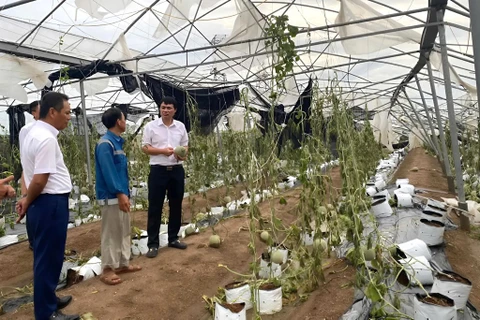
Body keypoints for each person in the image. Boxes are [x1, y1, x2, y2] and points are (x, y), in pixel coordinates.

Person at [16, 92, 80, 320]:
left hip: (42, 203)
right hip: (49, 203)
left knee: (47, 256)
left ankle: (50, 300)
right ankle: (46, 313)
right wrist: (28, 199)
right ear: (52, 112)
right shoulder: (46, 139)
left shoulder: (30, 132)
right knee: (48, 258)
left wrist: (26, 200)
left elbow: (30, 174)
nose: (69, 117)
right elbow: (40, 180)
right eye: (67, 112)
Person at [95, 107, 141, 285]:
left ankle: (122, 263)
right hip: (112, 196)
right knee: (111, 233)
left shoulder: (116, 142)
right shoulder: (106, 144)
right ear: (118, 122)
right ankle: (107, 269)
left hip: (121, 194)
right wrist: (120, 193)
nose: (125, 122)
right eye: (124, 119)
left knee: (123, 230)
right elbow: (109, 172)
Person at [142, 96, 189, 258]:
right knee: (155, 206)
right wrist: (163, 151)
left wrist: (181, 156)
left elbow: (185, 147)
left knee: (176, 205)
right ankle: (153, 244)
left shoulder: (180, 127)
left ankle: (173, 238)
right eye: (163, 107)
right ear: (160, 109)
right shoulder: (151, 127)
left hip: (176, 170)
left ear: (175, 110)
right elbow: (146, 148)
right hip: (158, 171)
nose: (166, 110)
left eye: (169, 108)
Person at [18, 100, 41, 249]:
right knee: (32, 205)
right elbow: (24, 157)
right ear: (33, 113)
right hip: (32, 173)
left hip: (41, 173)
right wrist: (24, 190)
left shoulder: (49, 129)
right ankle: (33, 241)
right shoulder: (27, 130)